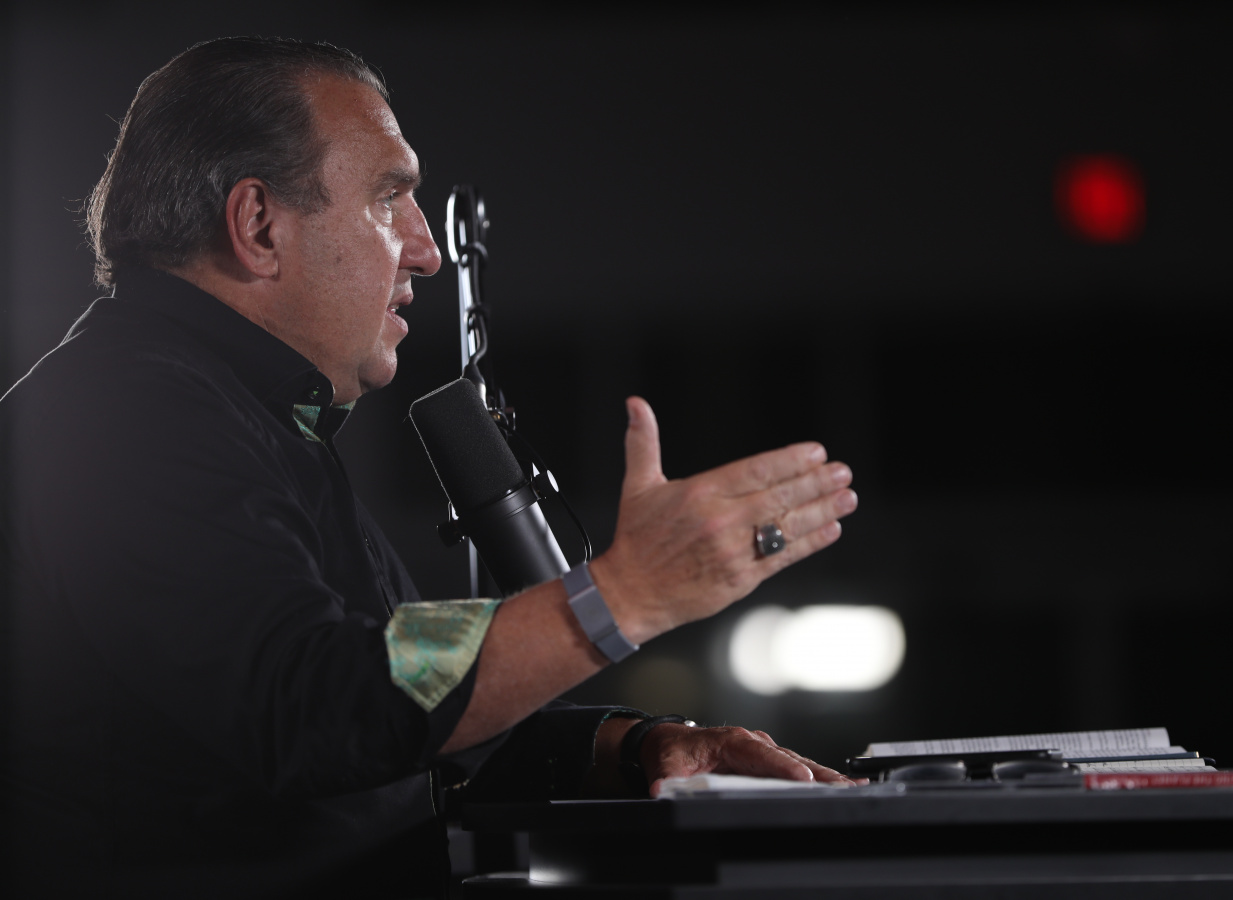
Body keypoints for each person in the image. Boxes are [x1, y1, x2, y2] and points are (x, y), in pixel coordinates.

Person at [1, 37, 859, 898]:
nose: (426, 249)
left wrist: (634, 747)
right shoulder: (126, 413)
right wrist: (623, 593)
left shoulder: (246, 414)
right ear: (259, 225)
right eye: (388, 198)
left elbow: (404, 698)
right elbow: (320, 701)